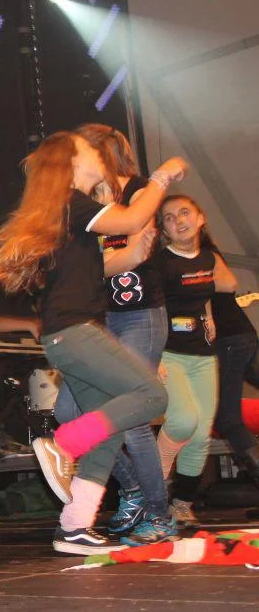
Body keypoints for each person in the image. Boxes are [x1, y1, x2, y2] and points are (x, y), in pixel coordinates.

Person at [0, 131, 189, 555]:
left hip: (69, 333)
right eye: (89, 149)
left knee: (105, 435)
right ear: (72, 162)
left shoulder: (65, 213)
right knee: (152, 395)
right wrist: (162, 177)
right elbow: (130, 219)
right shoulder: (73, 203)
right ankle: (63, 445)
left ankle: (75, 526)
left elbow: (46, 263)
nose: (98, 155)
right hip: (75, 331)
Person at [53, 124, 176, 546]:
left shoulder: (140, 190)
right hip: (100, 319)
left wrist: (163, 177)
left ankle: (159, 515)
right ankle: (134, 488)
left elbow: (136, 251)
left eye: (85, 150)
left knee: (136, 418)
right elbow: (97, 264)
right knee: (69, 411)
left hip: (140, 315)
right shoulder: (85, 202)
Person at [153, 195, 237, 527]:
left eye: (185, 213)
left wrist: (209, 314)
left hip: (203, 357)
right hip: (169, 354)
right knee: (182, 422)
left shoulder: (208, 258)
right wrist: (153, 355)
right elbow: (150, 310)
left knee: (201, 436)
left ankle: (182, 504)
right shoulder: (159, 264)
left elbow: (207, 291)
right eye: (169, 217)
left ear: (200, 218)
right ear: (164, 230)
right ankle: (152, 491)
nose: (178, 220)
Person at [211, 264, 259, 519]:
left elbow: (229, 283)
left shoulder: (202, 252)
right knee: (227, 420)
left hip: (230, 339)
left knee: (227, 420)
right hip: (239, 336)